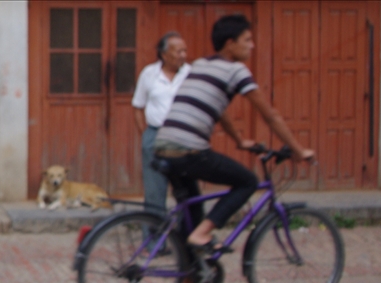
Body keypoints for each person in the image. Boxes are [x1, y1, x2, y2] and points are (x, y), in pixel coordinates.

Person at [153, 15, 314, 254]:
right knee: (247, 181)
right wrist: (299, 150)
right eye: (247, 40)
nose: (252, 45)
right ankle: (202, 233)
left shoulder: (200, 64)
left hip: (163, 146)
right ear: (230, 44)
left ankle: (190, 281)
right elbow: (270, 116)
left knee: (192, 213)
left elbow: (218, 110)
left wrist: (239, 140)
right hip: (189, 150)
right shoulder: (236, 71)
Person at [132, 32, 190, 216]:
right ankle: (154, 242)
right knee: (154, 193)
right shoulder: (149, 74)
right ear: (164, 54)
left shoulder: (191, 74)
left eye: (184, 51)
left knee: (186, 192)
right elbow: (138, 107)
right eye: (178, 51)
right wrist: (146, 135)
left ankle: (184, 239)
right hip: (155, 135)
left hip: (183, 138)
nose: (183, 55)